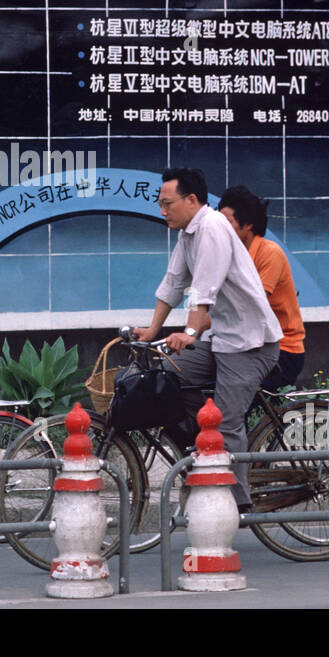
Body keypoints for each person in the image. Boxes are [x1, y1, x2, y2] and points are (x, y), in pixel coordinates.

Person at [133, 167, 282, 509]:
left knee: (227, 421)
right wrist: (153, 330)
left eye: (167, 203)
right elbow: (173, 282)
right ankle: (201, 450)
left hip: (250, 344)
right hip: (219, 340)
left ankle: (235, 504)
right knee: (165, 377)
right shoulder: (187, 233)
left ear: (192, 200)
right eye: (160, 203)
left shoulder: (212, 228)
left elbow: (204, 291)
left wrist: (188, 333)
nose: (162, 210)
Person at [217, 186, 306, 393]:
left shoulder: (269, 253)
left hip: (281, 351)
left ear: (248, 224)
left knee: (232, 405)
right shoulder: (229, 253)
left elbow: (250, 305)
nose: (220, 229)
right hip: (242, 344)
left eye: (227, 223)